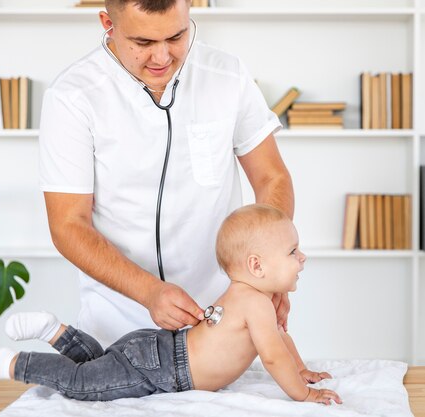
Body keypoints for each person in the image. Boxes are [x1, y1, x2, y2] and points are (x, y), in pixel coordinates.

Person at [39, 0, 294, 348]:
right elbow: (68, 225)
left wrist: (270, 273)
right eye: (143, 43)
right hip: (115, 329)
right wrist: (149, 292)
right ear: (107, 23)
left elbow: (271, 178)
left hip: (225, 324)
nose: (162, 58)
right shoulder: (71, 97)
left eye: (176, 36)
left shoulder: (228, 74)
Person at [0, 205, 342, 406]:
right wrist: (303, 394)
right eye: (293, 251)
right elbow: (273, 357)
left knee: (97, 367)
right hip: (163, 369)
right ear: (257, 266)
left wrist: (303, 368)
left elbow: (279, 339)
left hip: (157, 349)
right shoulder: (255, 303)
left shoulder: (254, 298)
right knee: (82, 384)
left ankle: (56, 333)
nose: (302, 257)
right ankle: (12, 363)